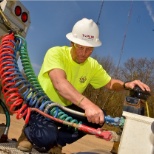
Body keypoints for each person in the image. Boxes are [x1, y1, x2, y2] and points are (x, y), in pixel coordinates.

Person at [16, 18, 150, 154]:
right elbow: (59, 83)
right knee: (44, 140)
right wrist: (87, 105)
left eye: (89, 49)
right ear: (72, 42)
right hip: (42, 105)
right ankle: (28, 133)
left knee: (98, 118)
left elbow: (109, 83)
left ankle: (58, 143)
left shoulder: (92, 65)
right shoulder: (56, 53)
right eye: (80, 47)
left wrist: (126, 84)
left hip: (65, 108)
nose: (83, 53)